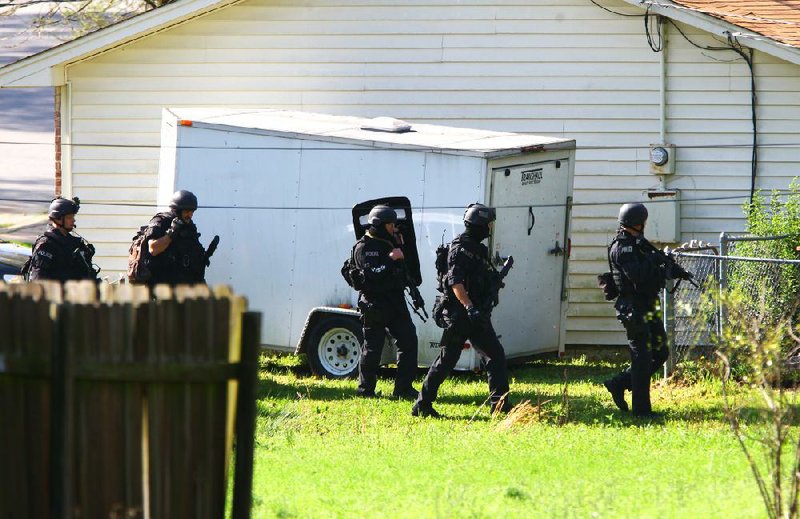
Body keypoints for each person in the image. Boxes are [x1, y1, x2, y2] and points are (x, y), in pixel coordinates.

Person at [412, 203, 511, 418]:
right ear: (480, 225)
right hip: (461, 314)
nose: (490, 229)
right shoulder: (461, 248)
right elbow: (455, 282)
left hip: (476, 314)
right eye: (488, 224)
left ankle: (500, 407)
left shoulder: (477, 248)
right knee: (447, 360)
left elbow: (478, 280)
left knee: (495, 356)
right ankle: (422, 406)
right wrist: (469, 307)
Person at [603, 202, 691, 417]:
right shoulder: (623, 247)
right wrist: (659, 266)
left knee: (660, 352)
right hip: (633, 307)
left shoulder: (638, 244)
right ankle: (642, 411)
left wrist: (670, 267)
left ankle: (620, 382)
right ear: (637, 223)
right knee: (641, 356)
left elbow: (651, 266)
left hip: (647, 304)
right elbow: (638, 276)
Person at [353, 204, 419, 399]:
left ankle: (403, 388)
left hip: (395, 301)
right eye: (390, 224)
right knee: (373, 348)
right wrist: (391, 259)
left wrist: (401, 248)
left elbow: (404, 269)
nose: (394, 228)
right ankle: (365, 390)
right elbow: (371, 274)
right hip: (375, 303)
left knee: (409, 341)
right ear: (379, 224)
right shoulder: (364, 247)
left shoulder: (390, 242)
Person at [144, 189, 212, 285]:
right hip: (162, 285)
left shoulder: (189, 226)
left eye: (192, 211)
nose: (190, 215)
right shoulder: (161, 221)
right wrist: (171, 234)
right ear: (178, 210)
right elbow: (153, 249)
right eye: (187, 211)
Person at [27, 196, 98, 282]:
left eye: (73, 217)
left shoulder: (74, 243)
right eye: (69, 217)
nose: (73, 220)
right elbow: (38, 279)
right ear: (58, 219)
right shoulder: (46, 245)